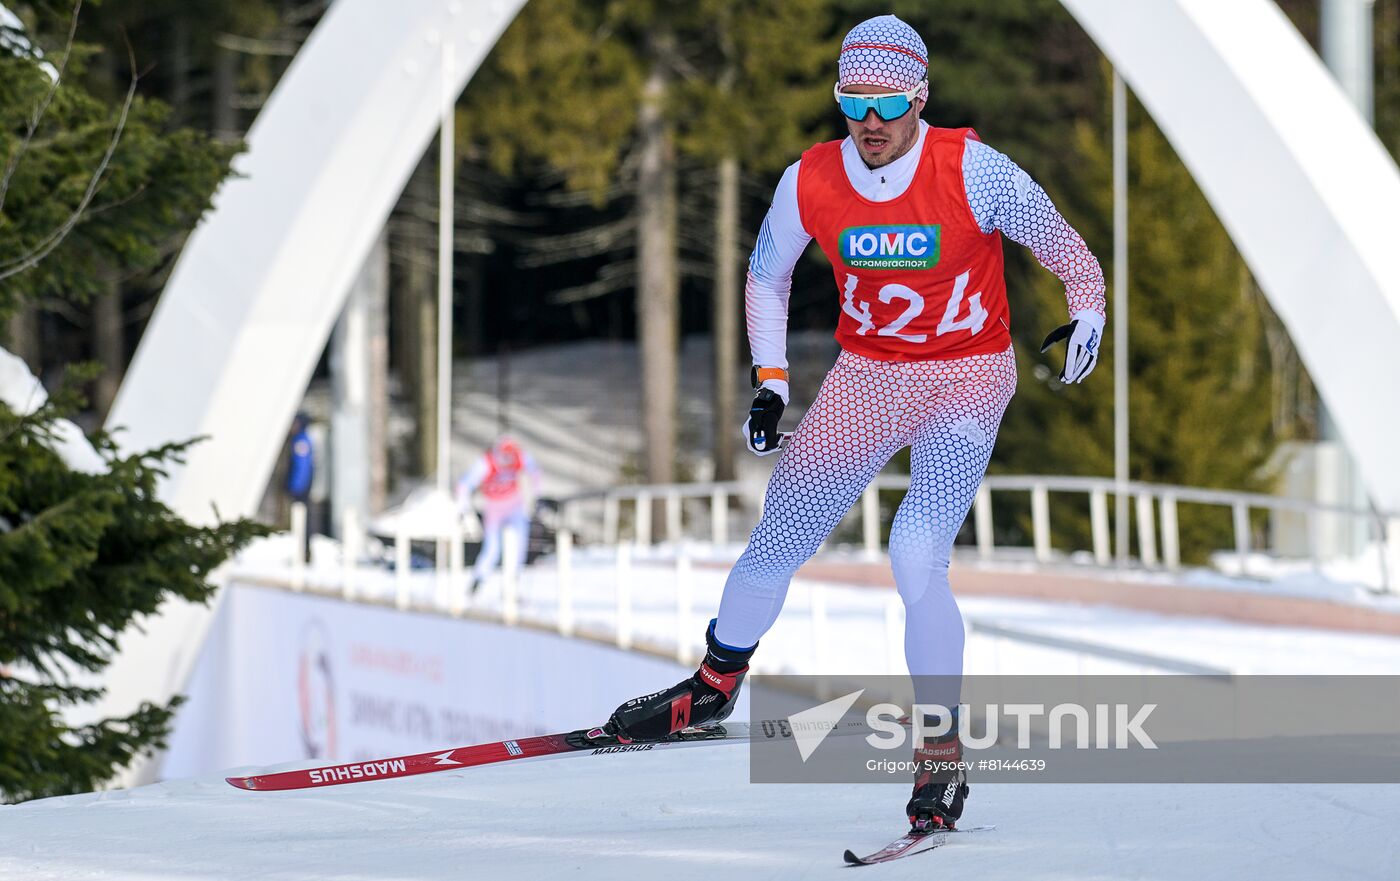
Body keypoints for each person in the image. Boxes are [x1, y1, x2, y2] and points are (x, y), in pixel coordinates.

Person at [603, 15, 1106, 834]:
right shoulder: (811, 178)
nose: (869, 120)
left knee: (915, 549)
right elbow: (766, 279)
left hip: (967, 374)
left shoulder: (971, 168)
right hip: (870, 374)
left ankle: (941, 754)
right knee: (779, 535)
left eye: (886, 100)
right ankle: (712, 685)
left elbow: (1061, 242)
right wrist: (771, 382)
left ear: (919, 95)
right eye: (852, 100)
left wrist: (1088, 308)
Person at [456, 436, 541, 594]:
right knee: (492, 547)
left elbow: (535, 474)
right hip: (493, 507)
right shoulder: (487, 461)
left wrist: (534, 499)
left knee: (519, 544)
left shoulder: (520, 457)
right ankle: (479, 580)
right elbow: (464, 484)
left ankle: (513, 581)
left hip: (515, 506)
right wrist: (463, 507)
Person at [287, 412, 315, 561]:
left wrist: (295, 487)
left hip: (301, 489)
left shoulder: (301, 442)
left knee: (302, 521)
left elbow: (302, 467)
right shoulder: (300, 440)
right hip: (301, 487)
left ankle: (304, 553)